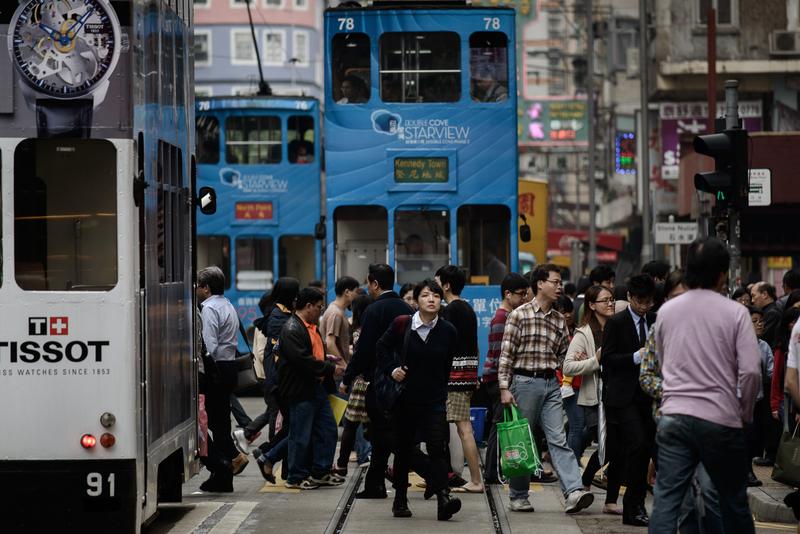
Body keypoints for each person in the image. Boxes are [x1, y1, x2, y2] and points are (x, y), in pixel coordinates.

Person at [650, 238, 761, 534]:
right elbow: (750, 373)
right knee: (733, 502)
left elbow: (663, 363)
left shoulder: (666, 312)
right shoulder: (735, 313)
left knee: (665, 501)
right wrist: (744, 414)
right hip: (720, 419)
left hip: (673, 417)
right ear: (722, 274)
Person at [498, 264, 594, 514]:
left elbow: (562, 354)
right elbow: (506, 355)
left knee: (558, 439)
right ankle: (518, 495)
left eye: (561, 282)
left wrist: (577, 358)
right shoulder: (519, 315)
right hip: (525, 383)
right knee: (524, 441)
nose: (559, 286)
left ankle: (574, 491)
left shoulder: (559, 321)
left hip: (551, 384)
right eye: (555, 281)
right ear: (540, 284)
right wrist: (504, 388)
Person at [377, 279, 462, 520]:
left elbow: (447, 365)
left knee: (437, 448)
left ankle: (443, 498)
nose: (432, 299)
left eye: (436, 295)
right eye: (425, 295)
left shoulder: (448, 330)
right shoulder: (402, 325)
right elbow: (381, 348)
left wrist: (440, 388)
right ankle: (400, 500)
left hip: (434, 399)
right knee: (404, 450)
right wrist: (393, 369)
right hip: (405, 399)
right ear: (417, 300)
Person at [343, 264, 413, 499]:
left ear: (374, 283)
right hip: (402, 381)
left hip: (379, 383)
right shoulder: (406, 308)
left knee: (384, 434)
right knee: (383, 433)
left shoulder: (374, 310)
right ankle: (375, 485)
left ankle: (431, 473)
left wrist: (348, 376)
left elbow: (364, 351)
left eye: (368, 283)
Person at [601, 273, 657, 527]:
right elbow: (607, 359)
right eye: (640, 302)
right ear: (630, 297)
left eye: (649, 302)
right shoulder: (616, 322)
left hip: (650, 396)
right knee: (636, 445)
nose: (645, 307)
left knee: (645, 449)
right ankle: (631, 507)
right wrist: (635, 357)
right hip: (624, 398)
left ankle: (637, 505)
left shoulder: (655, 321)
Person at [563, 285, 623, 516]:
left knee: (620, 447)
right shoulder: (584, 333)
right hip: (595, 399)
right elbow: (568, 366)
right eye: (605, 300)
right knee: (609, 446)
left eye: (612, 299)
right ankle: (586, 479)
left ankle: (608, 499)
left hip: (619, 394)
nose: (610, 304)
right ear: (591, 305)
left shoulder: (619, 327)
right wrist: (594, 360)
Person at [278, 288, 344, 489]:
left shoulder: (310, 327)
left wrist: (326, 363)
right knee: (300, 434)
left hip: (317, 387)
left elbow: (315, 355)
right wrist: (330, 368)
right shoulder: (291, 328)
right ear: (308, 307)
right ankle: (295, 477)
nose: (320, 311)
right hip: (301, 389)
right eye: (318, 307)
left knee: (327, 429)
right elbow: (303, 360)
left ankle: (320, 471)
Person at [234, 278, 300, 455]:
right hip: (272, 377)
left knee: (277, 414)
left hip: (273, 377)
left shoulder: (279, 316)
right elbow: (267, 353)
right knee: (275, 414)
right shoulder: (276, 320)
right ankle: (266, 452)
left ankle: (252, 439)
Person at [435, 265, 483, 494]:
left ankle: (475, 480)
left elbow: (444, 346)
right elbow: (476, 346)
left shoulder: (449, 311)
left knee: (464, 429)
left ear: (446, 285)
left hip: (454, 377)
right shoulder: (467, 309)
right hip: (468, 374)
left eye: (436, 282)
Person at [482, 273, 530, 485]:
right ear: (508, 294)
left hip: (495, 378)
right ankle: (491, 471)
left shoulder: (507, 315)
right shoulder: (504, 317)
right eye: (521, 294)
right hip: (497, 379)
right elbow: (502, 354)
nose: (524, 299)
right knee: (499, 425)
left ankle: (493, 470)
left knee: (499, 424)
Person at [197, 267, 240, 492]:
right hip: (229, 367)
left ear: (206, 288)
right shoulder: (228, 305)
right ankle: (224, 475)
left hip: (215, 370)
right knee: (221, 422)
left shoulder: (208, 308)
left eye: (198, 285)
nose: (195, 289)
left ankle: (223, 469)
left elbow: (209, 346)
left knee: (211, 423)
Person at [335, 293, 374, 474]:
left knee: (351, 423)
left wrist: (346, 379)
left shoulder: (361, 331)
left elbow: (358, 358)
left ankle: (342, 464)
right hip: (371, 381)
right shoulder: (372, 327)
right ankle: (363, 455)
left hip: (360, 383)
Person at [751, 282, 782, 347]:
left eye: (753, 296)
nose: (752, 300)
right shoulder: (767, 311)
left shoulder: (772, 313)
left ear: (764, 294)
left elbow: (763, 338)